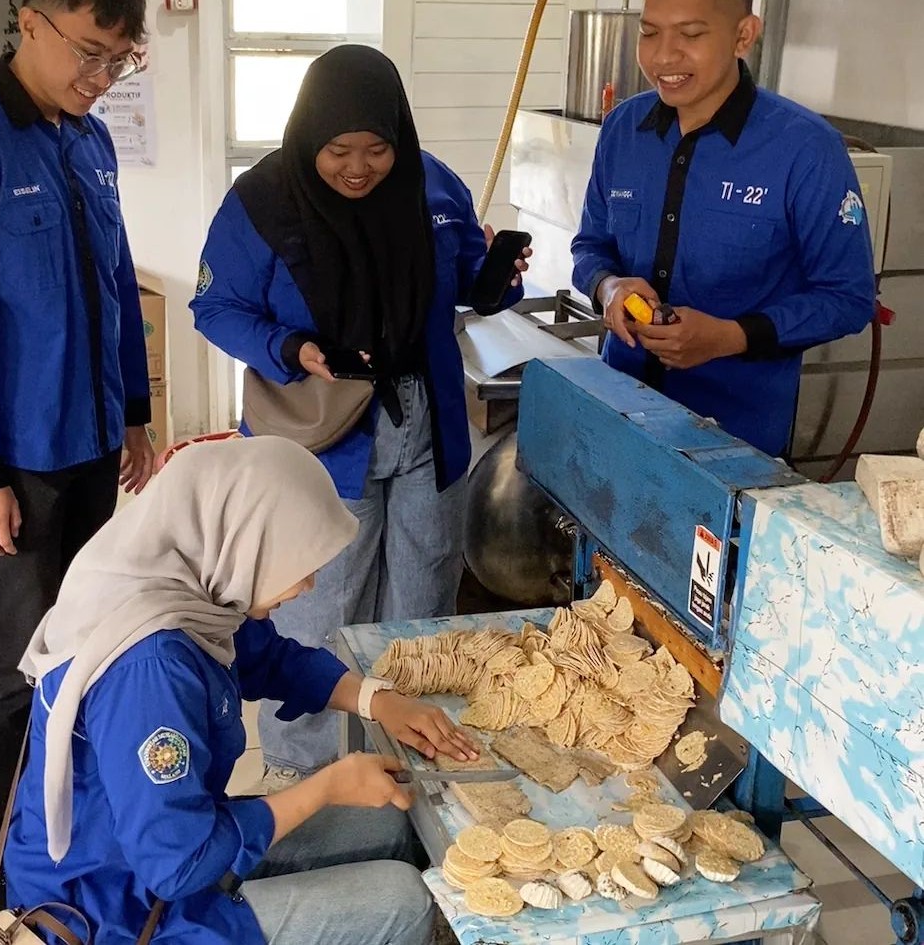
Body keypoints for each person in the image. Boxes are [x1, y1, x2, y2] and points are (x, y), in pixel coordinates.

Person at [191, 45, 530, 791]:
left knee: (422, 603)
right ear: (309, 134)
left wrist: (498, 275)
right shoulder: (262, 202)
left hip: (425, 424)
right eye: (338, 150)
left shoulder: (430, 184)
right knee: (319, 611)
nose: (358, 168)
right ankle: (303, 774)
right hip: (320, 437)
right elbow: (214, 306)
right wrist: (290, 347)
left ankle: (410, 760)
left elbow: (465, 282)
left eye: (377, 149)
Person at [5, 437, 477, 945]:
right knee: (402, 900)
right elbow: (177, 864)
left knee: (392, 819)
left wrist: (377, 701)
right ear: (246, 543)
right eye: (298, 563)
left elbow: (267, 658)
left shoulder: (188, 591)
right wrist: (325, 787)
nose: (308, 585)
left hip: (164, 850)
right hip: (118, 908)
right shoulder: (151, 668)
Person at [0, 0, 153, 925]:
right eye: (90, 53)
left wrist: (134, 412)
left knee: (88, 647)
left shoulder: (90, 140)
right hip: (17, 463)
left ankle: (74, 830)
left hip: (92, 444)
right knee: (16, 667)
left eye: (120, 60)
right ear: (28, 19)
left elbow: (118, 280)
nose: (101, 78)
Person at [571, 0, 876, 458]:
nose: (663, 56)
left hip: (738, 440)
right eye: (649, 33)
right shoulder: (622, 129)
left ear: (743, 36)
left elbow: (848, 298)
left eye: (691, 35)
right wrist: (609, 287)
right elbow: (590, 246)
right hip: (619, 411)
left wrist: (730, 337)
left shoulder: (807, 149)